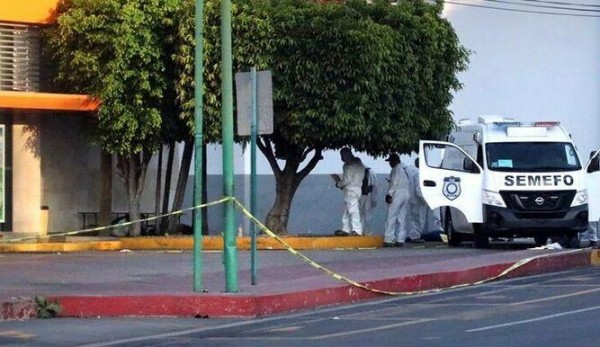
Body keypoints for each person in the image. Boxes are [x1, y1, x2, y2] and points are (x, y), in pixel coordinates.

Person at [334, 148, 366, 236]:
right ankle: (346, 228)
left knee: (352, 209)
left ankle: (357, 230)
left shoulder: (349, 166)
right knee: (348, 209)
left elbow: (346, 180)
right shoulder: (360, 165)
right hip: (358, 188)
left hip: (350, 189)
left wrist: (338, 184)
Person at [383, 153, 411, 247]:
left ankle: (388, 238)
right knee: (402, 217)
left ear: (395, 161)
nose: (389, 164)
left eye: (390, 162)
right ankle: (400, 239)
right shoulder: (406, 169)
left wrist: (389, 194)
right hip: (407, 193)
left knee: (391, 216)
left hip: (397, 193)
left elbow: (394, 182)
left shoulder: (396, 169)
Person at [359, 167, 378, 235]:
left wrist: (373, 198)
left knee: (365, 215)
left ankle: (365, 232)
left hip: (365, 195)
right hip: (364, 195)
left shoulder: (369, 171)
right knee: (364, 215)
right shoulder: (370, 172)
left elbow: (374, 186)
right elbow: (375, 186)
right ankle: (364, 232)